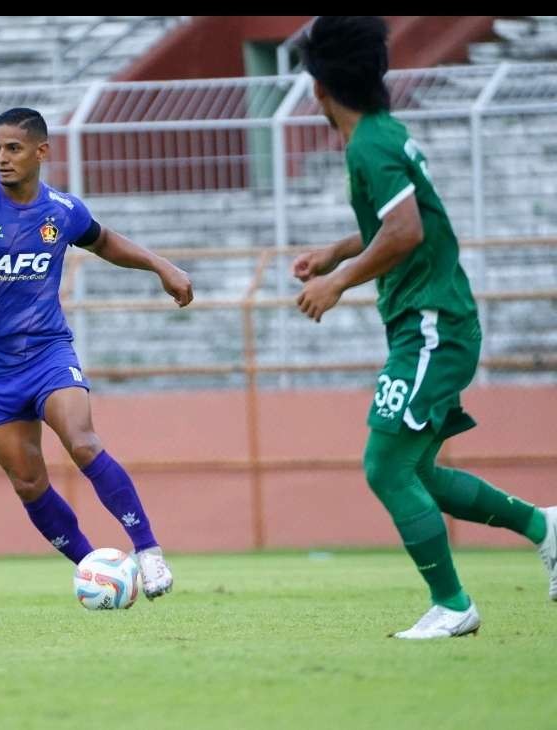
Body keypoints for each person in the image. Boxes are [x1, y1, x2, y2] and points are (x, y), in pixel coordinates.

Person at [293, 16, 557, 639]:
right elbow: (399, 220)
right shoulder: (385, 135)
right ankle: (546, 527)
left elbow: (406, 230)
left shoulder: (370, 146)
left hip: (431, 324)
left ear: (321, 88)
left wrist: (338, 281)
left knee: (385, 467)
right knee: (421, 473)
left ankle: (453, 603)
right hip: (431, 321)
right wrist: (337, 252)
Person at [0, 107, 194, 599]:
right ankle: (96, 569)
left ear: (41, 152)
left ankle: (148, 551)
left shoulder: (61, 210)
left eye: (12, 148)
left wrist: (162, 267)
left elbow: (107, 242)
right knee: (29, 483)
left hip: (48, 353)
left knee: (83, 443)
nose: (2, 158)